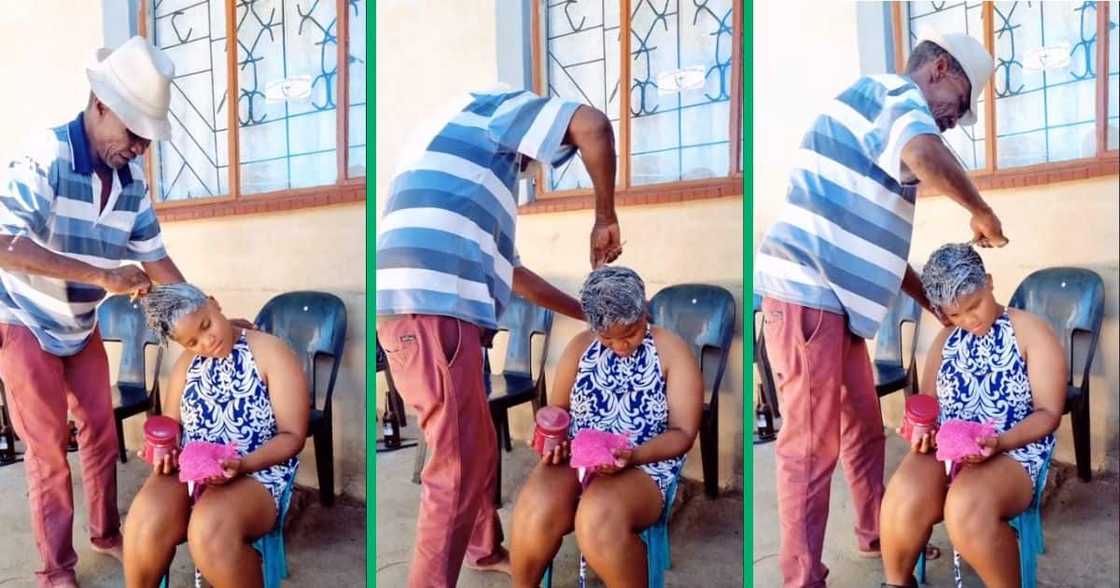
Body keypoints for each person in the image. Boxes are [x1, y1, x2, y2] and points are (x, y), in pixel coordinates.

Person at [754, 30, 1011, 587]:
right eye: (960, 105)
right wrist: (981, 210)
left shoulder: (884, 113)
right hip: (808, 297)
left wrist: (930, 301)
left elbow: (879, 247)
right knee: (808, 446)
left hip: (837, 304)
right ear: (940, 68)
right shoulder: (893, 95)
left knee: (865, 426)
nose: (952, 119)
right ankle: (802, 577)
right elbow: (925, 150)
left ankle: (876, 533)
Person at [376, 87, 623, 587]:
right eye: (547, 155)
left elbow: (512, 275)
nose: (536, 169)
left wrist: (583, 312)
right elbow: (594, 125)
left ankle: (483, 550)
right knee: (455, 471)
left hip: (423, 313)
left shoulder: (452, 155)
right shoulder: (494, 108)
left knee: (478, 444)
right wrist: (604, 216)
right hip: (433, 313)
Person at [0, 36, 188, 588]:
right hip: (25, 322)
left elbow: (157, 261)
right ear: (100, 104)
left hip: (79, 326)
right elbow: (5, 242)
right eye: (133, 134)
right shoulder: (47, 154)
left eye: (148, 140)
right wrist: (105, 275)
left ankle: (106, 532)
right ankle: (55, 568)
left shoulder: (133, 185)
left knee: (103, 433)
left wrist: (207, 310)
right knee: (49, 454)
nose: (138, 148)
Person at [879, 244, 1064, 588]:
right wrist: (923, 429)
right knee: (904, 492)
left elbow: (1049, 413)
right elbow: (930, 404)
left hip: (1014, 448)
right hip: (951, 449)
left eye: (975, 305)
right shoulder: (947, 340)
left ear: (990, 283)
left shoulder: (1029, 332)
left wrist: (1000, 442)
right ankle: (897, 583)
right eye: (956, 315)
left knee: (966, 508)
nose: (970, 320)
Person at [509, 266, 702, 587]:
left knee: (597, 519)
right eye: (607, 338)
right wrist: (552, 439)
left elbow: (683, 434)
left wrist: (633, 455)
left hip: (645, 463)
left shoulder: (671, 351)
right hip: (579, 457)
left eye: (629, 334)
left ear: (645, 312)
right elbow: (558, 410)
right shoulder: (580, 347)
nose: (620, 346)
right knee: (535, 507)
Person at [122, 284, 308, 588]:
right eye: (192, 341)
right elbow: (172, 424)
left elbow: (292, 436)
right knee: (145, 520)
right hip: (192, 468)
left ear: (214, 303)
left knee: (210, 531)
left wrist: (243, 465)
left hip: (258, 469)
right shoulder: (187, 364)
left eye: (206, 325)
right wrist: (165, 451)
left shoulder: (271, 353)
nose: (207, 342)